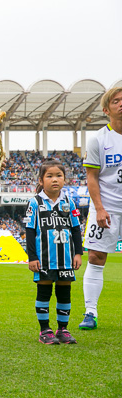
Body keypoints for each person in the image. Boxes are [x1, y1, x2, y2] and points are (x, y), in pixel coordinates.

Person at [25, 160, 82, 344]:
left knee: (65, 293)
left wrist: (78, 253)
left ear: (64, 180)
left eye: (59, 176)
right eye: (49, 176)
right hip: (44, 259)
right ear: (41, 180)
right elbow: (30, 231)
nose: (54, 180)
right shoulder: (35, 203)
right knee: (44, 292)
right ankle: (45, 330)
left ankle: (63, 330)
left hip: (65, 259)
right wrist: (32, 257)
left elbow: (75, 229)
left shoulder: (69, 202)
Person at [79, 87, 122, 330]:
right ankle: (90, 312)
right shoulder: (98, 139)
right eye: (116, 101)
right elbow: (92, 177)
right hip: (107, 208)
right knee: (96, 257)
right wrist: (99, 208)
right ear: (107, 110)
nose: (121, 104)